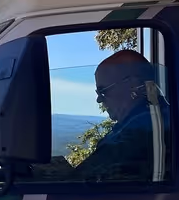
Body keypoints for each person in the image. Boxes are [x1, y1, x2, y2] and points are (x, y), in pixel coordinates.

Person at [72, 49, 170, 182]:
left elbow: (82, 181)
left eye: (103, 91)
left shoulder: (141, 129)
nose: (99, 100)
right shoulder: (159, 117)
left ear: (132, 85)